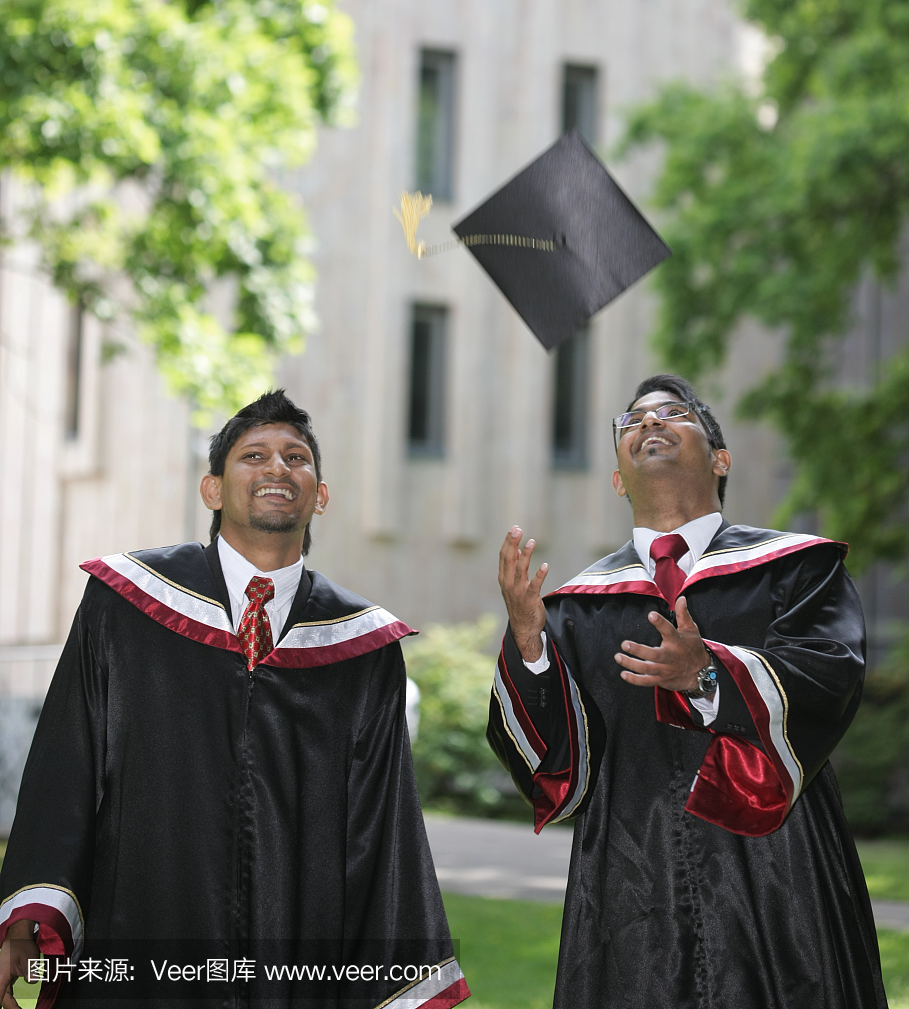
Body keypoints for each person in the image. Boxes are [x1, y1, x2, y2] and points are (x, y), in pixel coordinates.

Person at [0, 390, 468, 1009]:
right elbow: (68, 760)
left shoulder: (361, 645)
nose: (277, 468)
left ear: (320, 496)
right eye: (254, 455)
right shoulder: (127, 605)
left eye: (296, 457)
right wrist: (29, 912)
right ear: (212, 489)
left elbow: (384, 825)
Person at [488, 373, 887, 1008]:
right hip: (630, 882)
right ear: (618, 478)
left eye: (672, 413)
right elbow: (552, 768)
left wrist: (708, 674)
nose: (649, 424)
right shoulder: (573, 609)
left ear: (720, 458)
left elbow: (829, 675)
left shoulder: (796, 570)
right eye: (631, 421)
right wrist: (529, 643)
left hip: (777, 874)